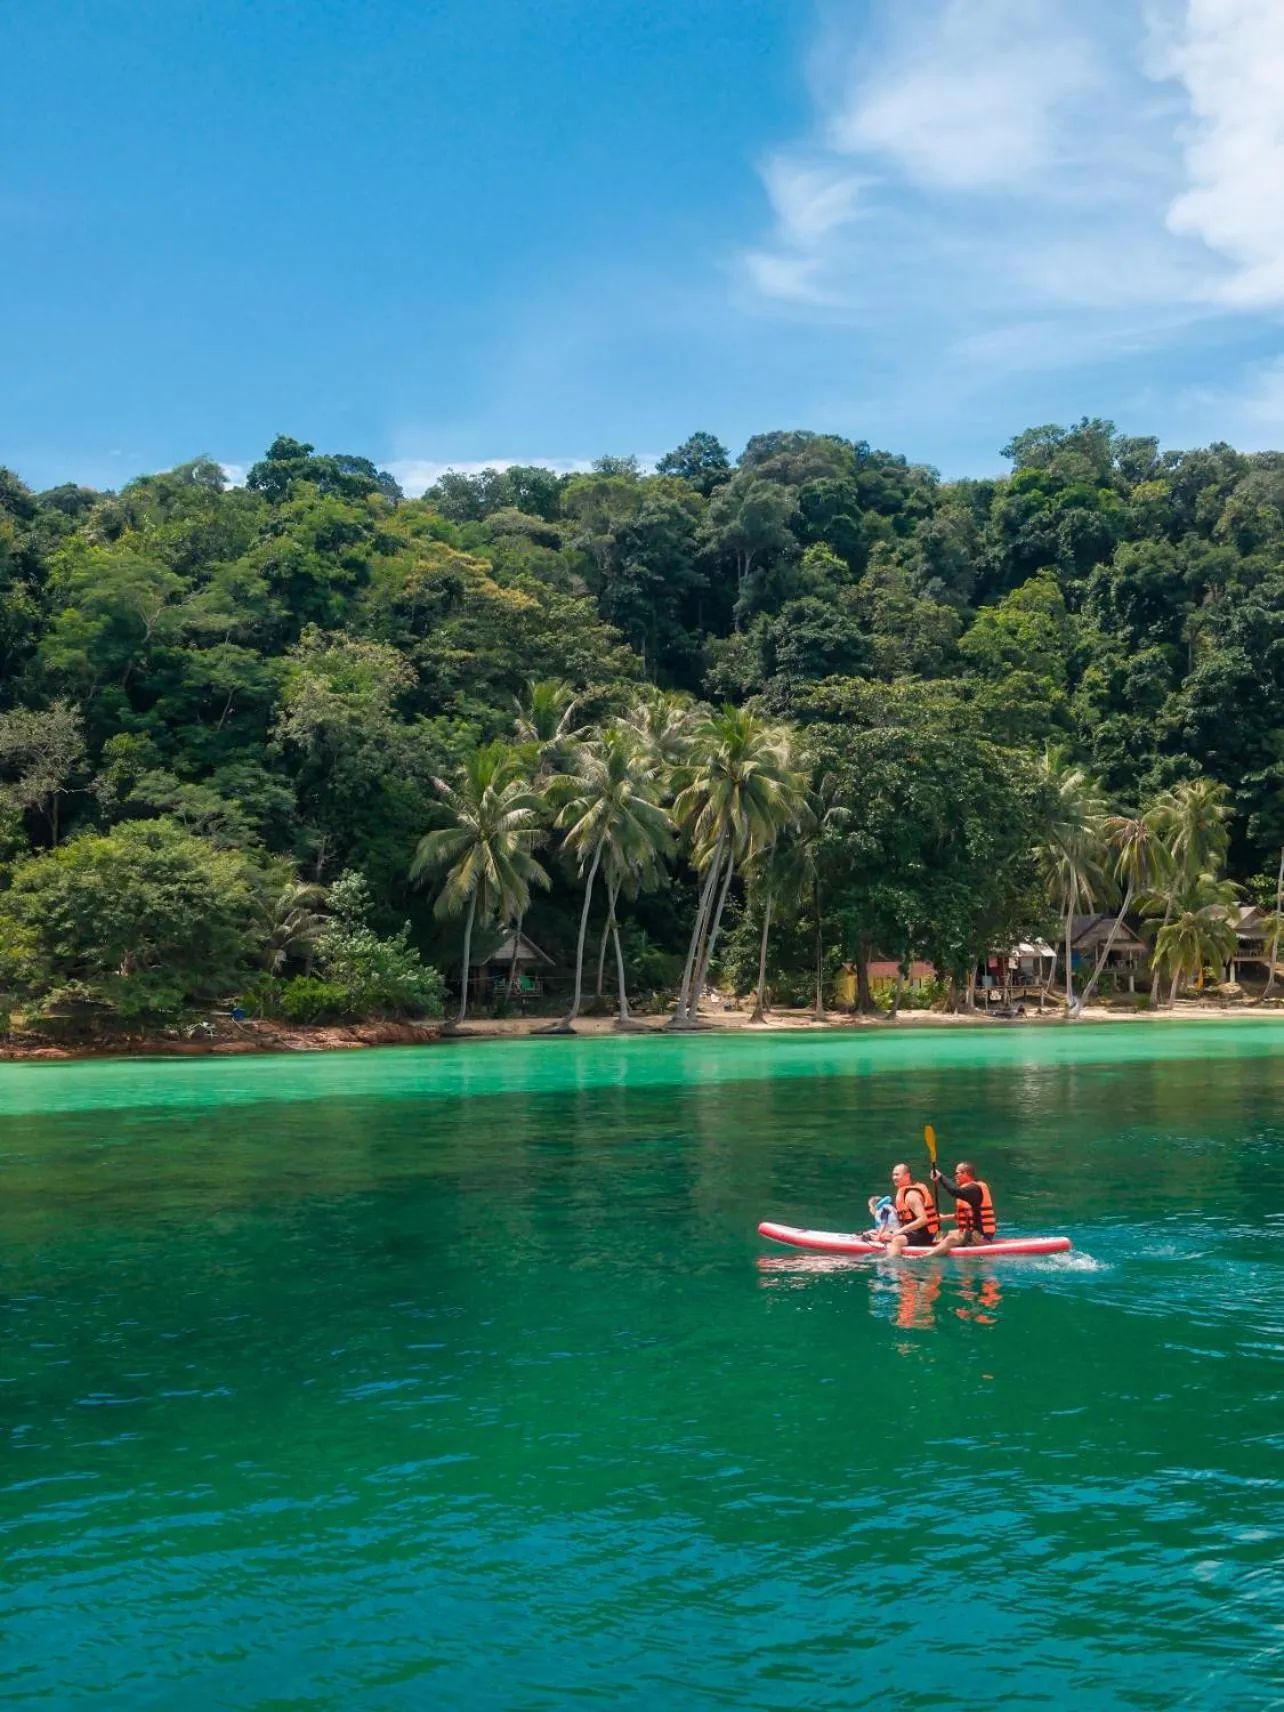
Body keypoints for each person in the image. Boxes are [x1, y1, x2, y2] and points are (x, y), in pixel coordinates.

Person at [924, 1161, 998, 1255]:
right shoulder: (971, 1189)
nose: (955, 1176)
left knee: (950, 1239)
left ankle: (925, 1257)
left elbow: (954, 1191)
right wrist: (945, 1217)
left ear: (965, 1173)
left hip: (981, 1236)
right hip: (971, 1232)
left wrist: (940, 1177)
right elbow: (968, 1215)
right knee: (937, 1236)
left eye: (956, 1173)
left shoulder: (974, 1189)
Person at [882, 1162, 941, 1256]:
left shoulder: (911, 1196)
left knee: (897, 1240)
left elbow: (923, 1219)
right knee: (886, 1235)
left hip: (925, 1235)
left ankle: (891, 1264)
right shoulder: (904, 1193)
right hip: (914, 1233)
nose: (894, 1177)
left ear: (907, 1176)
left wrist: (900, 1231)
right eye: (893, 1175)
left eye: (897, 1174)